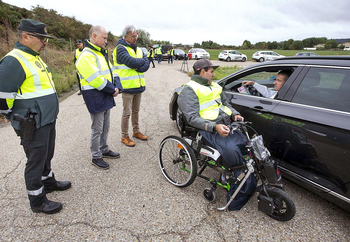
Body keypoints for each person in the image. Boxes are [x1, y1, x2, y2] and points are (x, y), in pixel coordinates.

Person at [0, 19, 71, 214]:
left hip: (46, 118)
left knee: (46, 154)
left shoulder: (34, 56)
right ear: (25, 36)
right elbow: (3, 94)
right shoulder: (14, 60)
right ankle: (37, 201)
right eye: (41, 38)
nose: (45, 42)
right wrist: (7, 114)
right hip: (32, 122)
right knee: (35, 159)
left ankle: (48, 182)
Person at [177, 59, 249, 171]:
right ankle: (237, 180)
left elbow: (225, 105)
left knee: (246, 143)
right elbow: (192, 118)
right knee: (232, 151)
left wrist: (235, 114)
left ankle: (239, 172)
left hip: (224, 125)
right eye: (211, 71)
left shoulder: (215, 86)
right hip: (207, 130)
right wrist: (214, 126)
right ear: (202, 72)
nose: (214, 74)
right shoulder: (190, 89)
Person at [75, 26, 121, 169]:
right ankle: (96, 156)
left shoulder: (100, 53)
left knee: (106, 126)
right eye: (104, 38)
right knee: (97, 128)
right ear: (94, 36)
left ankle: (104, 148)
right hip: (96, 95)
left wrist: (117, 85)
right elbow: (95, 79)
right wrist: (112, 89)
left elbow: (113, 71)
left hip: (105, 92)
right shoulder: (86, 55)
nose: (106, 41)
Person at [113, 25, 150, 147]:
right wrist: (141, 62)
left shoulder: (138, 49)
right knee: (127, 113)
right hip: (127, 87)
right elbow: (132, 62)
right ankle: (124, 136)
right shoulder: (120, 49)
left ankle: (136, 131)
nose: (135, 38)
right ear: (125, 37)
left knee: (136, 111)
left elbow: (146, 64)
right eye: (133, 36)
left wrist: (140, 63)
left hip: (138, 86)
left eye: (136, 36)